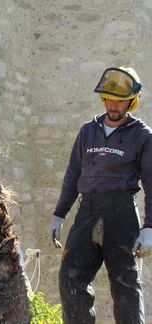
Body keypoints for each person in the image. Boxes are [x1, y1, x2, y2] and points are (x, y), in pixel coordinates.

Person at [49, 66, 152, 324]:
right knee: (70, 276)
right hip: (88, 210)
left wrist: (150, 228)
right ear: (103, 99)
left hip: (122, 212)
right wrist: (59, 215)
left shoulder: (143, 136)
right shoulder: (87, 131)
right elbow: (73, 175)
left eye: (120, 101)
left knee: (125, 284)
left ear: (132, 101)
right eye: (109, 99)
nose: (114, 105)